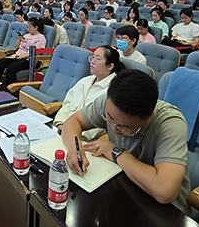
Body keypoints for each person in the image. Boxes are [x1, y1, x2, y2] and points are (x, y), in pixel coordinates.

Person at [60, 70, 191, 213]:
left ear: (149, 117)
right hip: (124, 189)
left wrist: (115, 152)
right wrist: (75, 149)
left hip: (165, 212)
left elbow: (164, 191)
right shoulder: (111, 102)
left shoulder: (170, 123)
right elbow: (73, 121)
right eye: (109, 118)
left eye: (124, 127)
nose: (114, 129)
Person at [54, 46, 125, 140]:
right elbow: (68, 103)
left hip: (83, 139)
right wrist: (60, 123)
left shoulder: (112, 91)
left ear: (110, 66)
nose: (92, 61)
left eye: (98, 59)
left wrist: (72, 133)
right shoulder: (85, 81)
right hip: (63, 130)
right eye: (92, 57)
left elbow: (100, 125)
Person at [0, 17, 46, 86]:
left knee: (11, 68)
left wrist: (22, 56)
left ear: (36, 27)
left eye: (30, 27)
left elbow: (36, 52)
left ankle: (10, 88)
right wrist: (19, 40)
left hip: (28, 60)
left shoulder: (41, 37)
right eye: (27, 27)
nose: (28, 29)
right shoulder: (26, 35)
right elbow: (17, 47)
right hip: (17, 56)